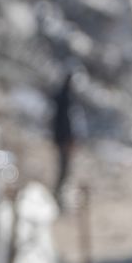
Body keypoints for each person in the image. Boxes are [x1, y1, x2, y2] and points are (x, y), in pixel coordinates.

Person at [51, 64, 81, 204]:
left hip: (62, 138)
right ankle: (58, 194)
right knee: (64, 169)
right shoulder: (65, 100)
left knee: (64, 168)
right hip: (63, 139)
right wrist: (67, 139)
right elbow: (65, 122)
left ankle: (60, 192)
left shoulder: (63, 99)